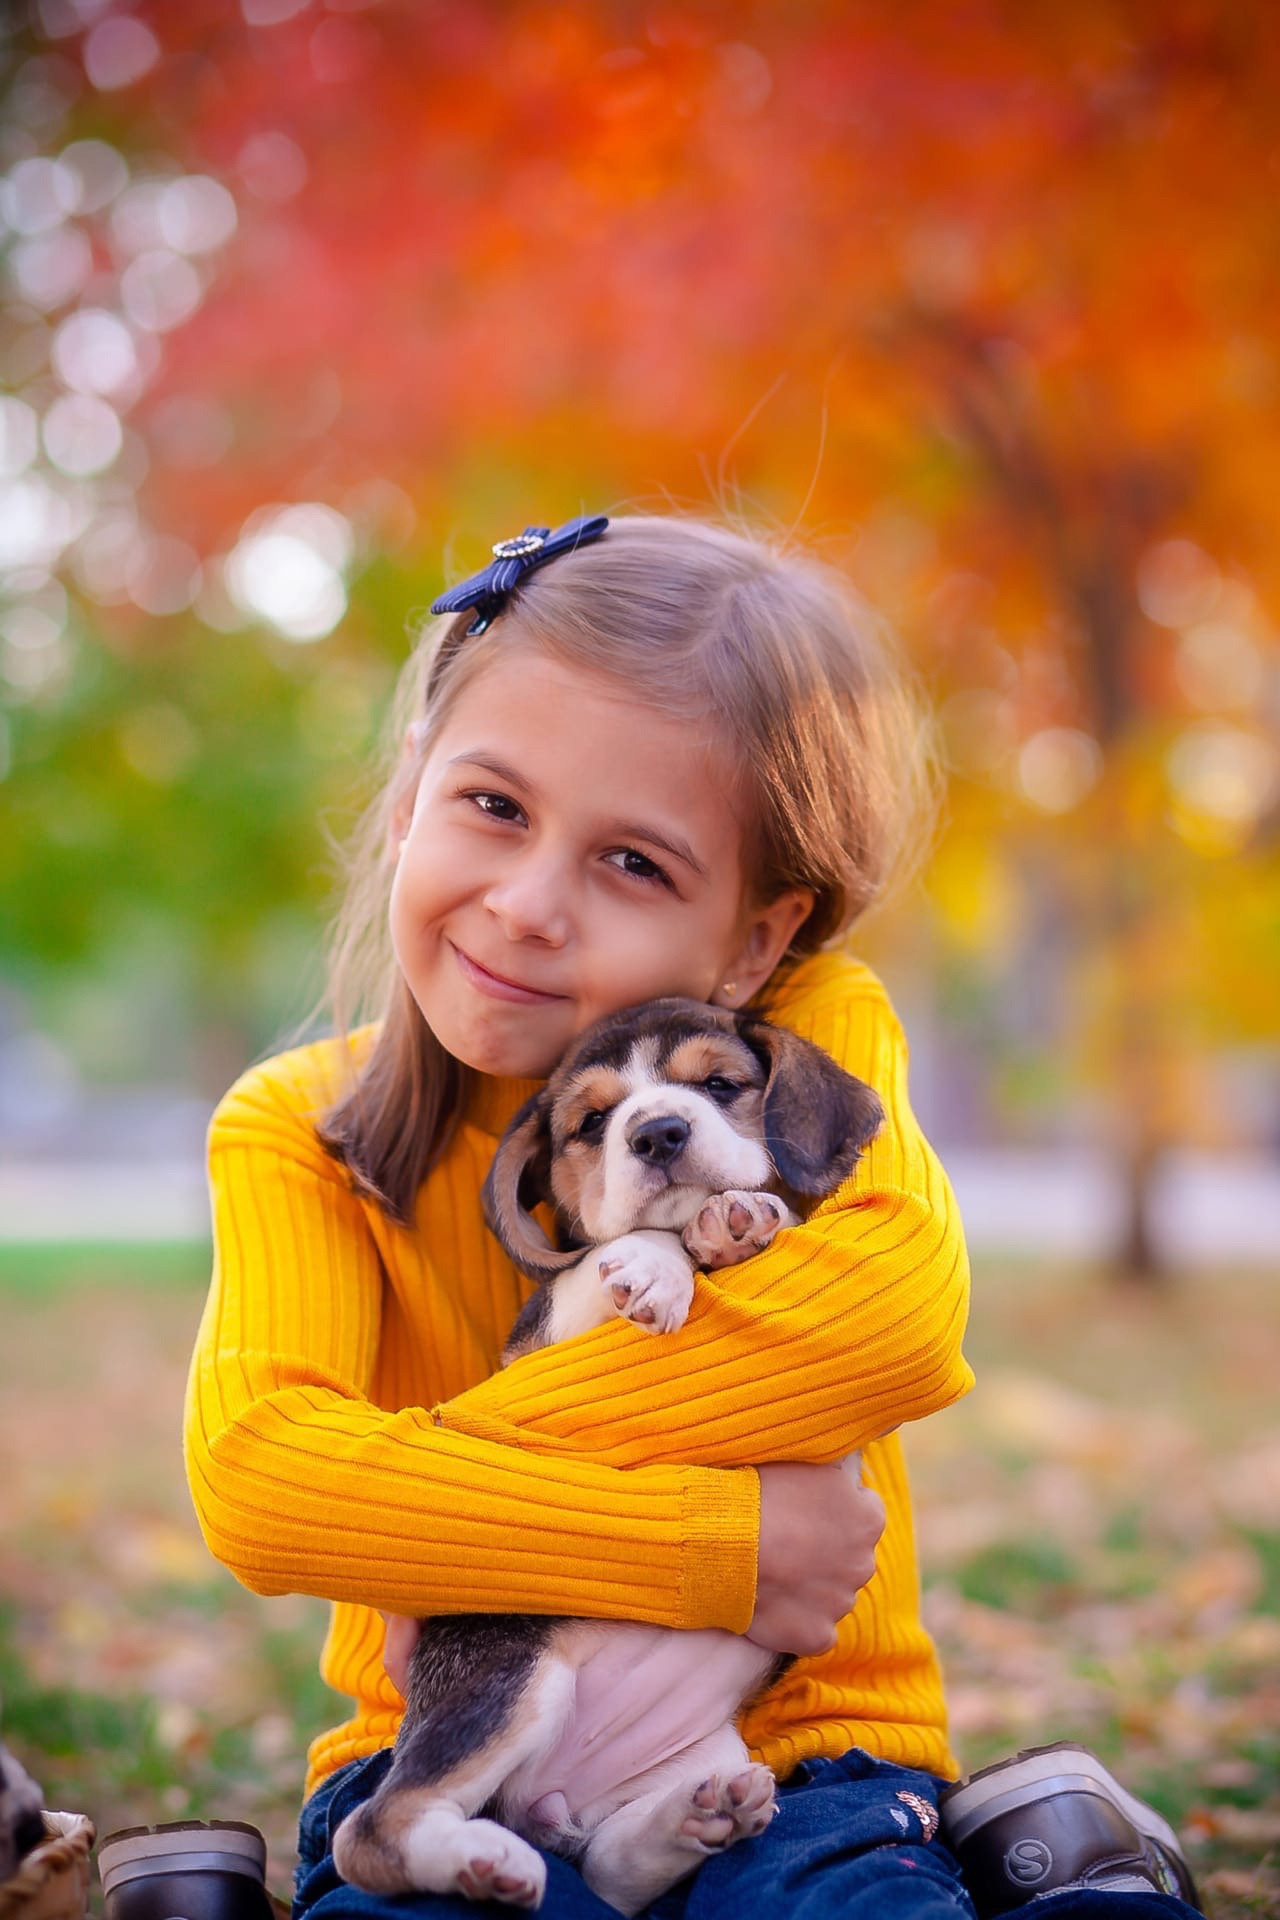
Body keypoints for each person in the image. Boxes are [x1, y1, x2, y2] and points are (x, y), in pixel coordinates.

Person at [184, 513, 1200, 1920]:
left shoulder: (806, 1041)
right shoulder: (300, 1127)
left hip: (799, 1750)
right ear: (414, 782)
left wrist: (414, 1495)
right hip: (447, 1755)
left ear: (754, 941)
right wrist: (725, 1545)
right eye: (494, 805)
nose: (530, 905)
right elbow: (266, 1484)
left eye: (635, 864)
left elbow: (888, 1324)